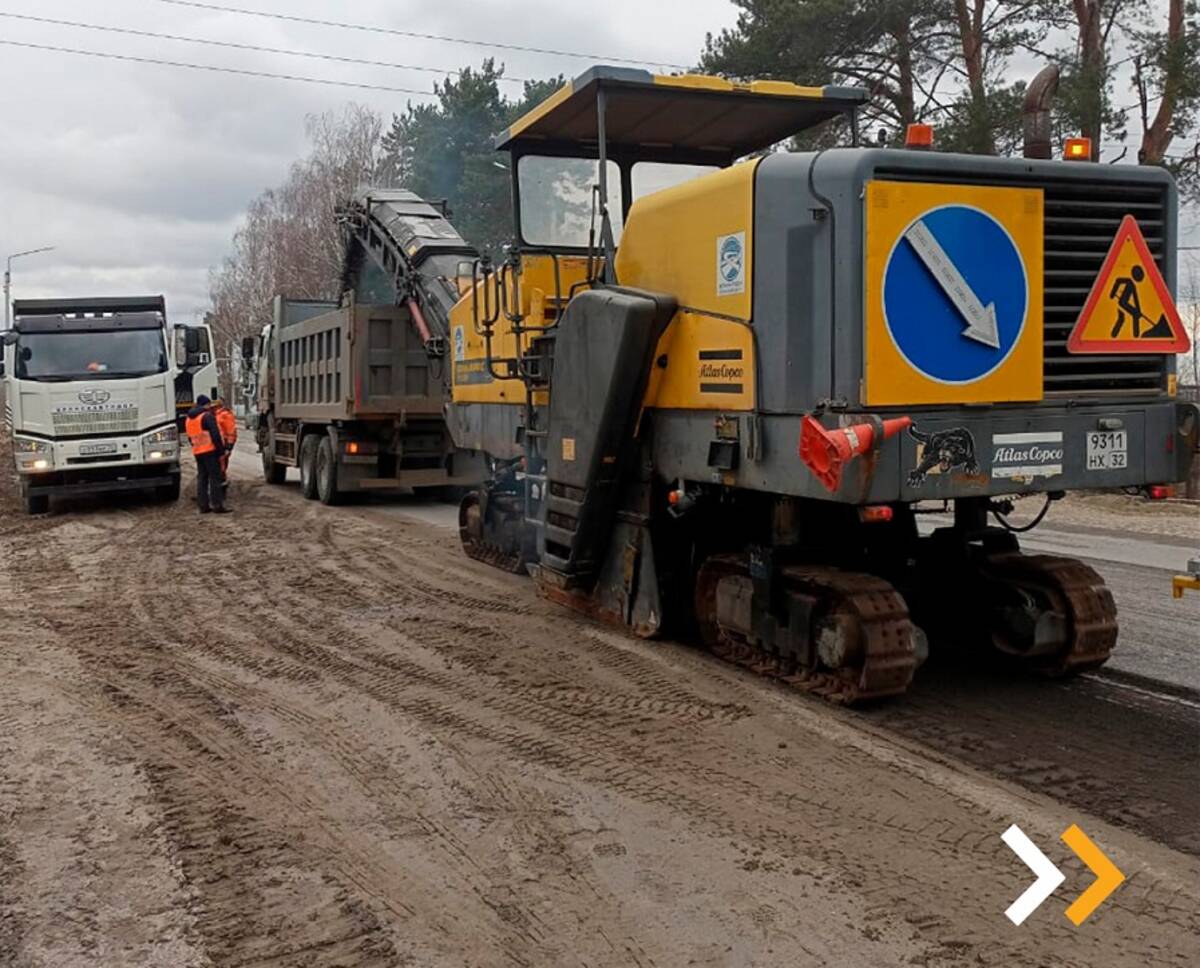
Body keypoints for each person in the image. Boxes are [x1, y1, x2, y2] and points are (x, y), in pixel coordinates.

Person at [184, 395, 229, 514]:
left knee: (202, 478)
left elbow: (190, 437)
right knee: (215, 478)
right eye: (209, 405)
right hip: (210, 451)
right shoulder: (207, 416)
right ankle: (217, 505)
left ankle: (203, 506)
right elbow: (215, 435)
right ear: (206, 404)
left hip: (198, 452)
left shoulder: (189, 419)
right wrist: (221, 451)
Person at [213, 397, 239, 490]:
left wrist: (229, 446)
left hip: (223, 445)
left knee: (221, 465)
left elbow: (231, 432)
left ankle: (221, 484)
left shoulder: (225, 415)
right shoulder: (214, 415)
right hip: (217, 444)